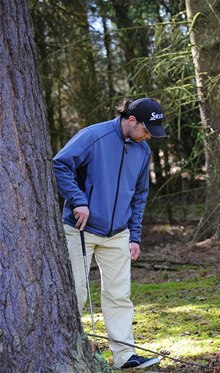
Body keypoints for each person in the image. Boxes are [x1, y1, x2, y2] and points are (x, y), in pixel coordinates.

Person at [53, 98, 167, 369]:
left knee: (119, 295)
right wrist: (78, 200)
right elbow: (60, 163)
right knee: (76, 293)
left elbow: (139, 196)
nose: (148, 136)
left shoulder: (143, 151)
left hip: (118, 234)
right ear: (131, 121)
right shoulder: (94, 136)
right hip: (80, 229)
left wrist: (135, 236)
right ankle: (70, 351)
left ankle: (125, 356)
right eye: (146, 130)